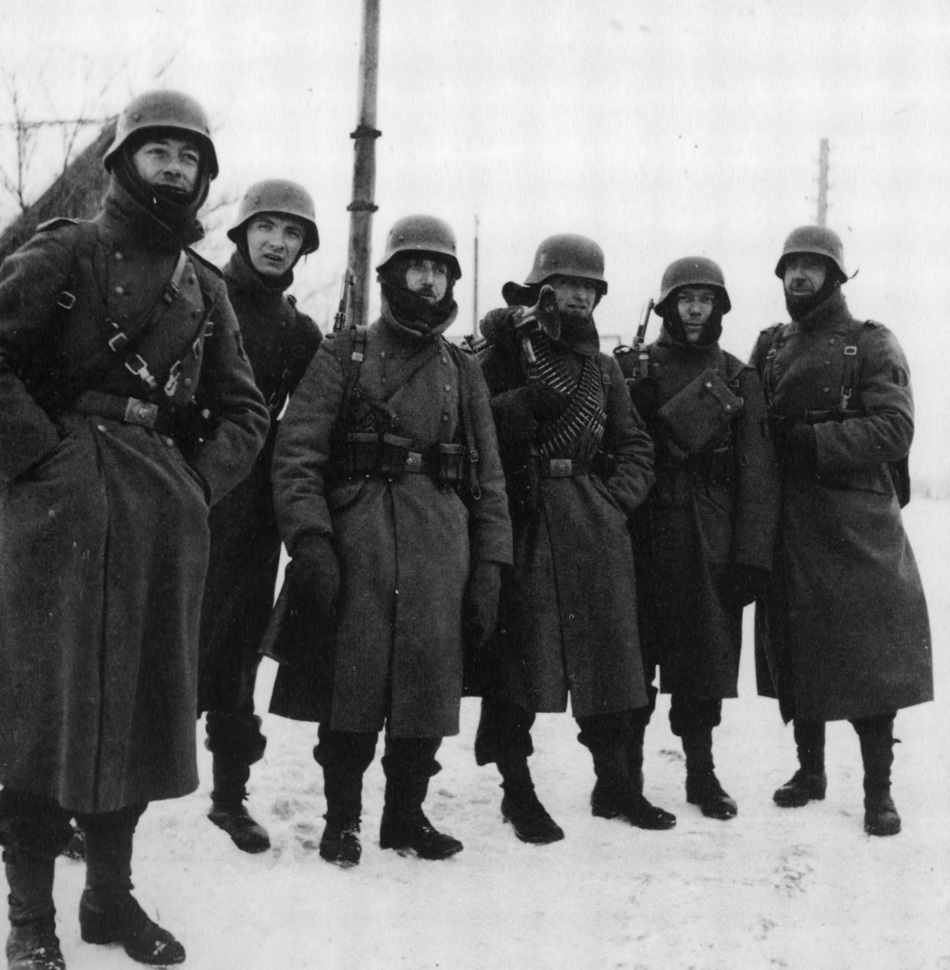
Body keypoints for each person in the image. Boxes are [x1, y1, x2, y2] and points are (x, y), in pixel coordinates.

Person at [0, 90, 269, 968]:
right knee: (44, 720)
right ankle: (30, 920)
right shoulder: (67, 249)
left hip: (159, 518)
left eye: (191, 158)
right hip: (57, 516)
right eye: (160, 152)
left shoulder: (204, 286)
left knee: (140, 719)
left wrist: (194, 485)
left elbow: (245, 411)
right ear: (123, 162)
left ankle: (108, 901)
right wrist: (41, 458)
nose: (176, 169)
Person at [270, 214, 511, 867]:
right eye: (416, 266)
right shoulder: (343, 353)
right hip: (360, 541)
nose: (428, 280)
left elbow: (490, 478)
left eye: (439, 269)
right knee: (350, 690)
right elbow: (297, 456)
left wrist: (491, 563)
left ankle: (405, 817)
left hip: (442, 548)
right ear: (391, 275)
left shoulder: (462, 368)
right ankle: (342, 820)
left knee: (428, 689)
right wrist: (311, 541)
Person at [473, 233, 673, 846]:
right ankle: (517, 790)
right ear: (541, 288)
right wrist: (522, 405)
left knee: (609, 661)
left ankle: (616, 784)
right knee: (517, 667)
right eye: (567, 284)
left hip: (592, 524)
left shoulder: (603, 368)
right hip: (525, 517)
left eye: (590, 287)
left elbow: (635, 444)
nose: (580, 296)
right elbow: (474, 428)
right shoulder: (504, 352)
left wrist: (614, 501)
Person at [750, 225, 932, 837]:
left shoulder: (870, 343)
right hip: (789, 521)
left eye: (813, 265)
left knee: (868, 657)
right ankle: (810, 772)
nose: (799, 275)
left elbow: (894, 429)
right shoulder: (771, 345)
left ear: (834, 275)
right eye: (791, 266)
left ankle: (879, 791)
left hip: (856, 524)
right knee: (799, 646)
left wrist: (813, 442)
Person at [617, 256, 780, 821]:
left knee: (704, 662)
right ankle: (624, 776)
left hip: (709, 535)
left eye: (705, 300)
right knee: (633, 658)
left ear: (719, 307)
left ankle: (701, 773)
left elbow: (758, 474)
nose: (694, 310)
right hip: (642, 531)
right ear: (667, 305)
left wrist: (750, 558)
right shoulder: (632, 367)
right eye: (685, 299)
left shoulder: (737, 376)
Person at [198, 179, 323, 854]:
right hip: (183, 487)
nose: (277, 242)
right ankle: (84, 802)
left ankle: (229, 796)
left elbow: (309, 420)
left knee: (237, 648)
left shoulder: (300, 331)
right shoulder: (196, 290)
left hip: (252, 509)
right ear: (242, 232)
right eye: (266, 228)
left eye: (292, 233)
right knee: (145, 643)